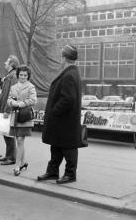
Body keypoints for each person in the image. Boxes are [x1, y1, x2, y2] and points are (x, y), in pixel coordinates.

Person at [38, 45, 83, 184]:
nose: (60, 58)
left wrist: (54, 111)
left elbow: (68, 98)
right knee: (56, 146)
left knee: (68, 148)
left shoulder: (69, 74)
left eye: (61, 56)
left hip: (64, 121)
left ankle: (70, 174)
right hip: (62, 121)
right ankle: (52, 172)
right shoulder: (70, 72)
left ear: (65, 57)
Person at [7, 65, 37, 176]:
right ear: (18, 75)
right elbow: (9, 99)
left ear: (28, 76)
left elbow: (33, 100)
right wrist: (12, 103)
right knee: (18, 140)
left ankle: (17, 166)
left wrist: (21, 103)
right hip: (15, 116)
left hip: (25, 116)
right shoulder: (13, 87)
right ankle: (23, 162)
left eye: (25, 75)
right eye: (21, 75)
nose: (23, 77)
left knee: (20, 140)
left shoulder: (31, 87)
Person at [0, 55, 19, 165]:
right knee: (5, 131)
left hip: (8, 109)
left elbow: (12, 95)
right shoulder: (9, 76)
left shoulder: (13, 77)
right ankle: (8, 155)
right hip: (4, 107)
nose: (5, 63)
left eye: (7, 61)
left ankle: (11, 157)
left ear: (12, 64)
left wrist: (7, 110)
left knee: (9, 133)